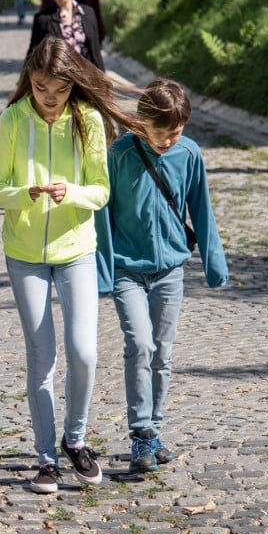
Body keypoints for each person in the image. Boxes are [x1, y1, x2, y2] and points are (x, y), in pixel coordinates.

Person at [0, 36, 143, 495]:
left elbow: (100, 191)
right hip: (25, 253)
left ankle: (76, 440)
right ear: (28, 83)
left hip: (77, 249)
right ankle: (46, 458)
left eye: (57, 89)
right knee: (42, 357)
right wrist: (23, 195)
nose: (48, 98)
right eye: (39, 88)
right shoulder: (13, 119)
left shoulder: (88, 120)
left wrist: (69, 193)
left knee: (84, 352)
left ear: (72, 84)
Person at [95, 80, 228, 474]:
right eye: (162, 132)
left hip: (171, 270)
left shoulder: (189, 154)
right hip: (127, 269)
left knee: (162, 352)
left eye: (177, 131)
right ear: (142, 122)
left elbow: (201, 209)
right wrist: (104, 270)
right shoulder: (118, 155)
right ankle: (140, 434)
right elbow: (102, 216)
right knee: (139, 345)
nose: (170, 140)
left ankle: (153, 432)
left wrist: (213, 262)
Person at [27, 0, 104, 70]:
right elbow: (32, 57)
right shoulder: (43, 20)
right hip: (60, 82)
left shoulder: (88, 13)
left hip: (88, 80)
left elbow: (96, 52)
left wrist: (104, 81)